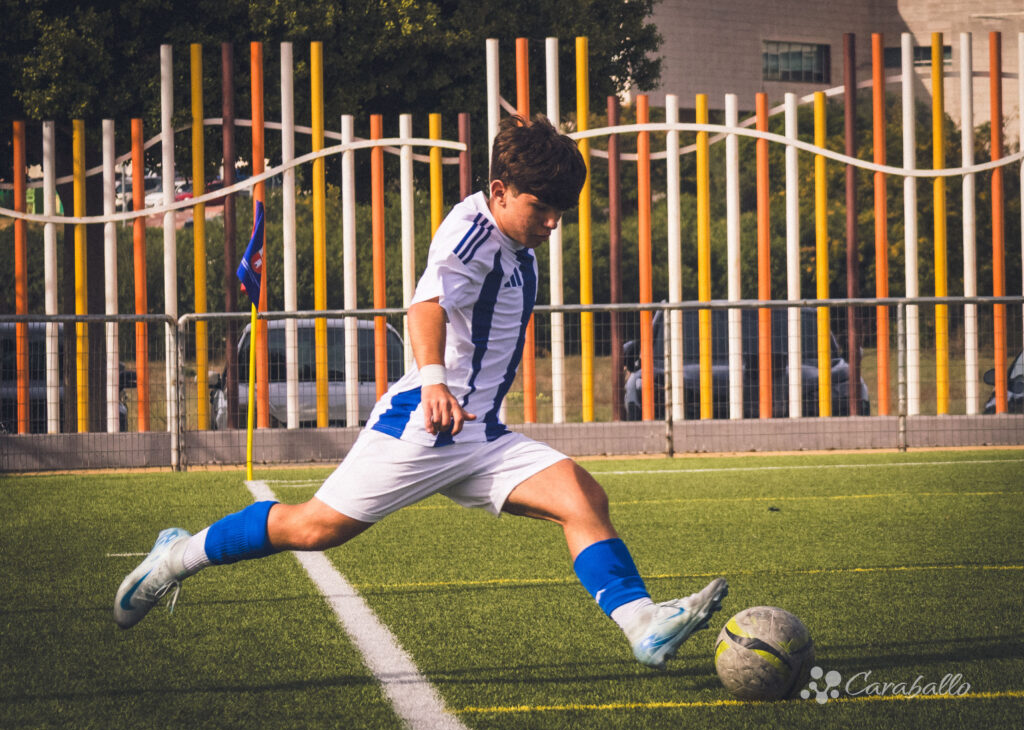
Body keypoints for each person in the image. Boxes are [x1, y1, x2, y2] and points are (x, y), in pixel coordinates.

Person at [114, 115, 727, 669]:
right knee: (314, 528)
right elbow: (426, 305)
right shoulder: (473, 233)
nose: (552, 222)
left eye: (561, 210)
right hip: (429, 424)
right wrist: (434, 383)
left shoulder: (516, 239)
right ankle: (176, 557)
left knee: (580, 494)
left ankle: (641, 623)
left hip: (480, 432)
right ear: (500, 192)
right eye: (542, 207)